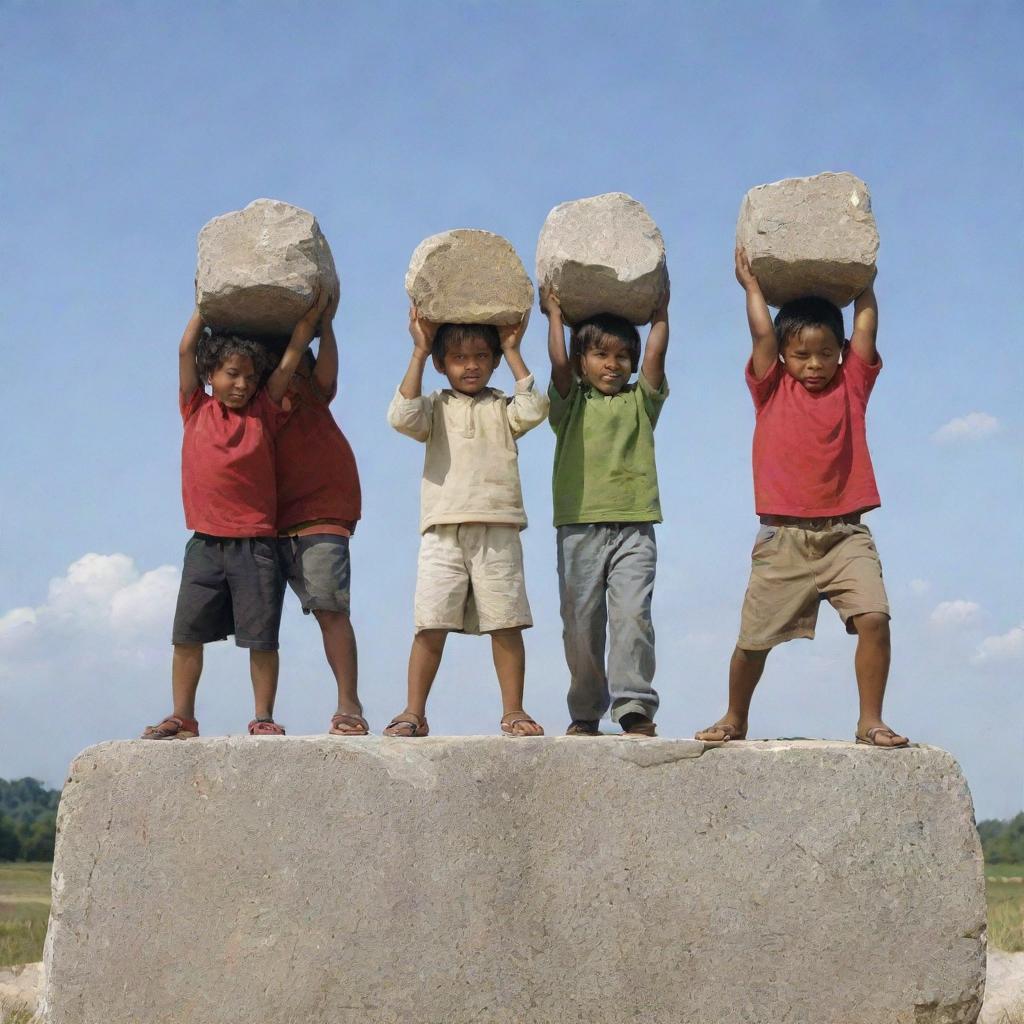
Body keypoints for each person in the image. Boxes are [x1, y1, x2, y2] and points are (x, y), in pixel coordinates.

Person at [696, 247, 908, 748]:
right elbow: (762, 333)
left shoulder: (852, 385)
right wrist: (752, 289)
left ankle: (870, 720)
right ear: (784, 358)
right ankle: (734, 716)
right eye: (801, 356)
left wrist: (865, 284)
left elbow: (865, 330)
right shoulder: (770, 389)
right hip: (782, 538)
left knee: (875, 618)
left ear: (839, 352)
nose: (814, 365)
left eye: (825, 354)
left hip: (845, 535)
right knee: (752, 643)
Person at [141, 288, 329, 740]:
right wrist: (206, 302)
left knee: (261, 638)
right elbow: (186, 347)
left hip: (256, 545)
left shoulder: (265, 409)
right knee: (186, 635)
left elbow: (291, 357)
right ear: (210, 374)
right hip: (204, 543)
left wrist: (312, 320)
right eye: (231, 374)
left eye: (249, 377)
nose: (242, 384)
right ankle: (182, 716)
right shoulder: (195, 407)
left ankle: (263, 716)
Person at [384, 307, 548, 737]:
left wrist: (513, 349)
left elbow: (534, 410)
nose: (471, 365)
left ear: (492, 360)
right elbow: (402, 417)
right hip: (443, 529)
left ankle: (514, 711)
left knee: (506, 622)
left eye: (480, 355)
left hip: (498, 525)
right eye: (458, 357)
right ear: (443, 364)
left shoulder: (502, 407)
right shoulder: (435, 406)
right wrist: (419, 350)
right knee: (430, 623)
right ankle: (413, 712)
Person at [541, 283, 670, 737]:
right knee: (580, 625)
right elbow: (557, 362)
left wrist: (660, 315)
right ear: (582, 361)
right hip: (578, 527)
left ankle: (634, 706)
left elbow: (655, 359)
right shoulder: (571, 402)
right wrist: (554, 313)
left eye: (621, 356)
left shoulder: (641, 402)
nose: (611, 365)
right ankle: (586, 710)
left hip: (635, 527)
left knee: (633, 617)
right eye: (598, 354)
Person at [270, 291, 366, 736]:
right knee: (260, 625)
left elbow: (326, 367)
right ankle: (262, 715)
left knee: (330, 609)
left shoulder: (314, 396)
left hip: (322, 516)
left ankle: (349, 705)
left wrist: (323, 325)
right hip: (267, 523)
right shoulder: (259, 407)